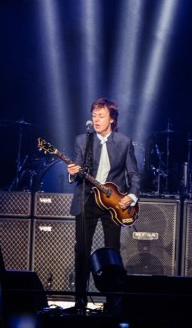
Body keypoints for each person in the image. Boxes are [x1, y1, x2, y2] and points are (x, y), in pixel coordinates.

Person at [67, 97, 141, 311]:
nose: (96, 120)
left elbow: (134, 175)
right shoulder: (83, 140)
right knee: (81, 251)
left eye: (101, 116)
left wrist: (132, 196)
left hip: (113, 204)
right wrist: (72, 173)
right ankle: (79, 303)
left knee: (112, 251)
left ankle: (113, 304)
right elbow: (78, 171)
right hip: (87, 200)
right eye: (94, 116)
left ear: (112, 119)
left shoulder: (124, 142)